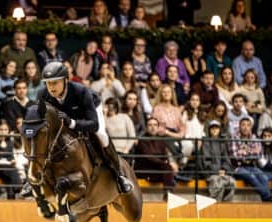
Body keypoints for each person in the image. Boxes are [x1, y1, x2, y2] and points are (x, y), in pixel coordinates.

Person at [39, 61, 133, 193]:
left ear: (66, 80)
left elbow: (93, 125)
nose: (51, 87)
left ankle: (119, 175)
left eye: (55, 82)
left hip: (90, 110)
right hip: (66, 116)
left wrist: (72, 123)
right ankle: (35, 177)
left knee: (101, 135)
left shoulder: (81, 91)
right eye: (48, 83)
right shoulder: (44, 95)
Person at [230, 116, 272, 201]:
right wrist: (251, 151)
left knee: (264, 177)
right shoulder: (234, 138)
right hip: (238, 168)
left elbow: (258, 154)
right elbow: (235, 156)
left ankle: (266, 199)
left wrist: (244, 151)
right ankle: (268, 197)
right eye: (243, 125)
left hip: (252, 166)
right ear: (239, 126)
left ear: (251, 127)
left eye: (248, 125)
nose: (245, 128)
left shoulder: (254, 137)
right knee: (251, 176)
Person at [134, 116, 176, 189]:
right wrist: (164, 163)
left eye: (155, 125)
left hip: (159, 169)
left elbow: (165, 155)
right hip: (146, 169)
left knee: (168, 169)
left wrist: (168, 163)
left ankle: (168, 192)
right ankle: (169, 192)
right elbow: (148, 157)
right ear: (146, 128)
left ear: (158, 127)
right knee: (168, 169)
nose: (153, 127)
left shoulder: (161, 140)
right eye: (150, 125)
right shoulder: (142, 141)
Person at [200, 120, 235, 202]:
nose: (215, 130)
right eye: (212, 128)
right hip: (210, 173)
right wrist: (217, 171)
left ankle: (226, 206)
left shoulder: (222, 143)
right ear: (209, 130)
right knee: (217, 182)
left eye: (217, 128)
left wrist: (224, 170)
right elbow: (206, 161)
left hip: (222, 173)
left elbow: (226, 160)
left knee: (232, 182)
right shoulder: (206, 143)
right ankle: (215, 206)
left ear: (220, 130)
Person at [152, 83, 185, 164]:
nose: (166, 94)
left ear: (172, 94)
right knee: (167, 145)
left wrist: (171, 133)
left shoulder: (176, 110)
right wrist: (166, 132)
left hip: (175, 135)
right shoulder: (157, 109)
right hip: (163, 137)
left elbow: (182, 129)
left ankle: (179, 162)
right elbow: (158, 129)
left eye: (168, 92)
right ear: (161, 94)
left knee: (188, 144)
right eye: (164, 92)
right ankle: (178, 161)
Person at [0, 119, 22, 199]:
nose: (3, 132)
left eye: (5, 130)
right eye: (1, 129)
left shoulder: (9, 143)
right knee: (10, 170)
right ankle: (19, 187)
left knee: (10, 175)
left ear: (8, 131)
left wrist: (12, 160)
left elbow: (10, 157)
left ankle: (12, 195)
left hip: (7, 169)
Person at [181, 92, 204, 159]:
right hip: (188, 139)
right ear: (189, 101)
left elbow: (202, 130)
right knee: (188, 145)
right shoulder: (185, 113)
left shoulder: (202, 114)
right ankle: (183, 162)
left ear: (199, 102)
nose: (195, 102)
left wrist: (201, 140)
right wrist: (191, 139)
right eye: (193, 100)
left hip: (199, 141)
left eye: (197, 100)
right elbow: (183, 128)